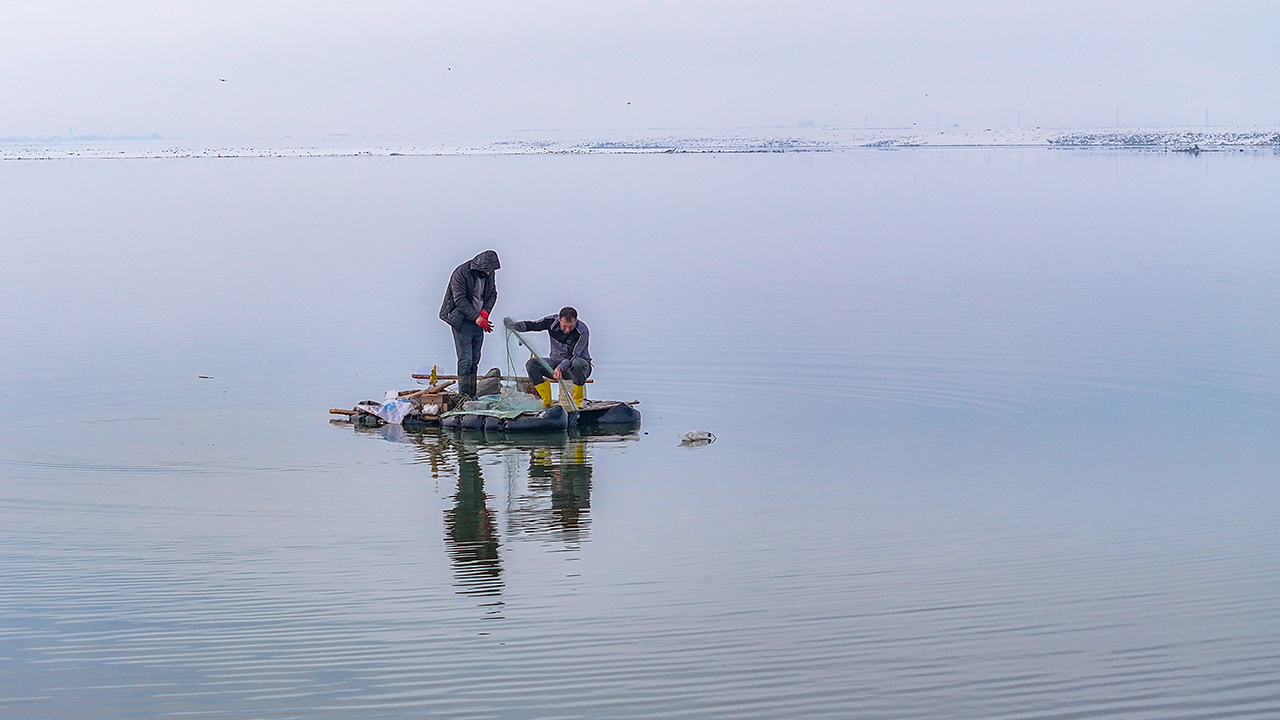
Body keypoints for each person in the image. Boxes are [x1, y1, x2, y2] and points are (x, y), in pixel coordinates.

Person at [438, 250, 500, 398]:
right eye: (487, 269)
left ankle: (472, 395)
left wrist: (485, 312)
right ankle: (463, 395)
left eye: (491, 270)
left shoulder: (490, 274)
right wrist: (475, 316)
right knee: (465, 358)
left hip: (478, 320)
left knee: (475, 358)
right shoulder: (461, 273)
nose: (489, 272)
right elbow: (459, 300)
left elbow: (493, 294)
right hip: (461, 319)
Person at [505, 307, 592, 408]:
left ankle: (577, 401)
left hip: (578, 368)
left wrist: (560, 368)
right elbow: (533, 325)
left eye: (571, 327)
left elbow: (573, 356)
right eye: (564, 326)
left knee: (578, 363)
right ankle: (547, 400)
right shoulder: (551, 322)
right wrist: (514, 326)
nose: (567, 330)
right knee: (532, 364)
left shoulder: (582, 331)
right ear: (559, 319)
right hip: (555, 364)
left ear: (575, 321)